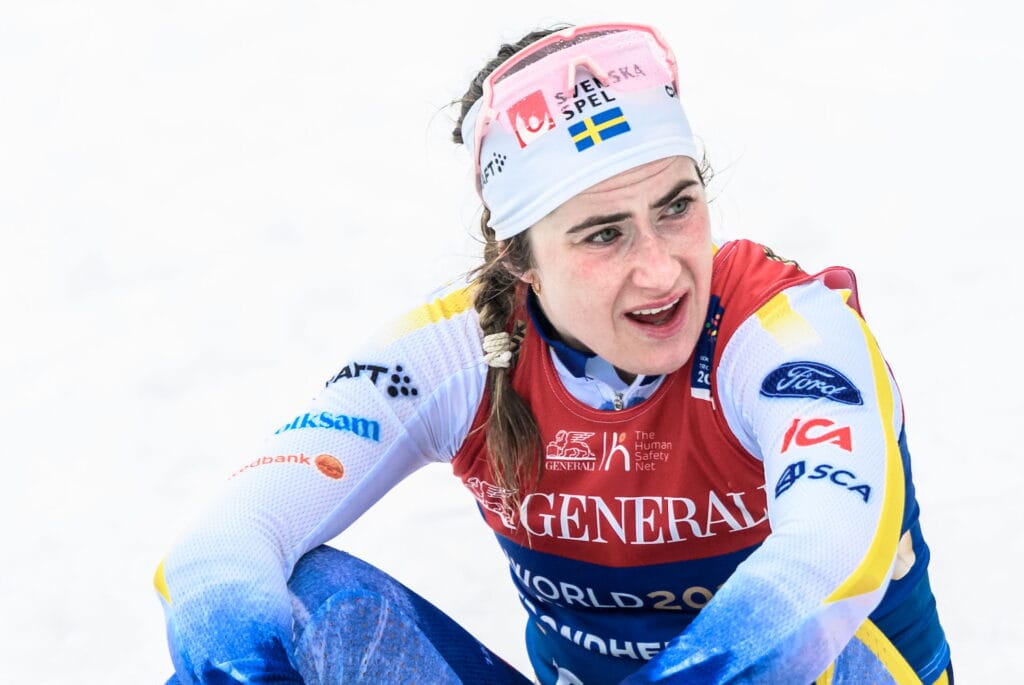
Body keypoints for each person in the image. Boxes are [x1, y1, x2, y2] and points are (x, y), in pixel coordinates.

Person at [154, 21, 953, 684]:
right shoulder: (455, 352)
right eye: (604, 233)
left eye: (677, 207)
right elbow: (217, 549)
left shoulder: (786, 330)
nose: (661, 266)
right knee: (287, 603)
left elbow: (828, 551)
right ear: (520, 263)